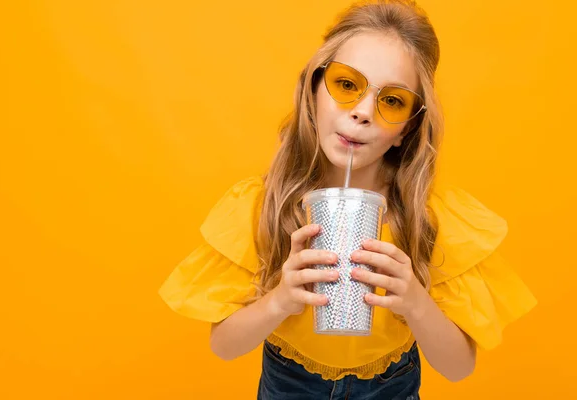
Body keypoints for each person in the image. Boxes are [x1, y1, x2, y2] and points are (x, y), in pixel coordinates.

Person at [158, 1, 537, 398]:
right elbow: (223, 346)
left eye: (392, 100)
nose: (362, 112)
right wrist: (280, 301)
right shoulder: (263, 207)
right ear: (314, 90)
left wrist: (414, 301)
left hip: (390, 388)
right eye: (346, 85)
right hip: (289, 386)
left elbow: (459, 368)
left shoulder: (428, 219)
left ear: (408, 127)